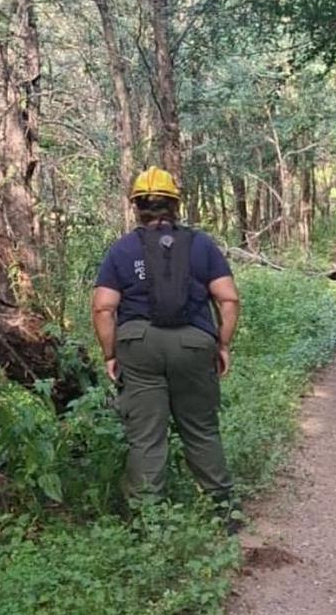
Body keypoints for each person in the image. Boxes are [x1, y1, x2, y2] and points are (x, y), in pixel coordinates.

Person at [91, 166, 242, 528]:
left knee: (146, 436)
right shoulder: (202, 245)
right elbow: (229, 299)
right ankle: (224, 512)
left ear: (137, 207)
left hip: (139, 346)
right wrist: (222, 344)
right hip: (193, 345)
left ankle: (148, 521)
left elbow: (103, 308)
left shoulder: (122, 249)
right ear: (176, 206)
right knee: (201, 429)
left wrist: (111, 354)